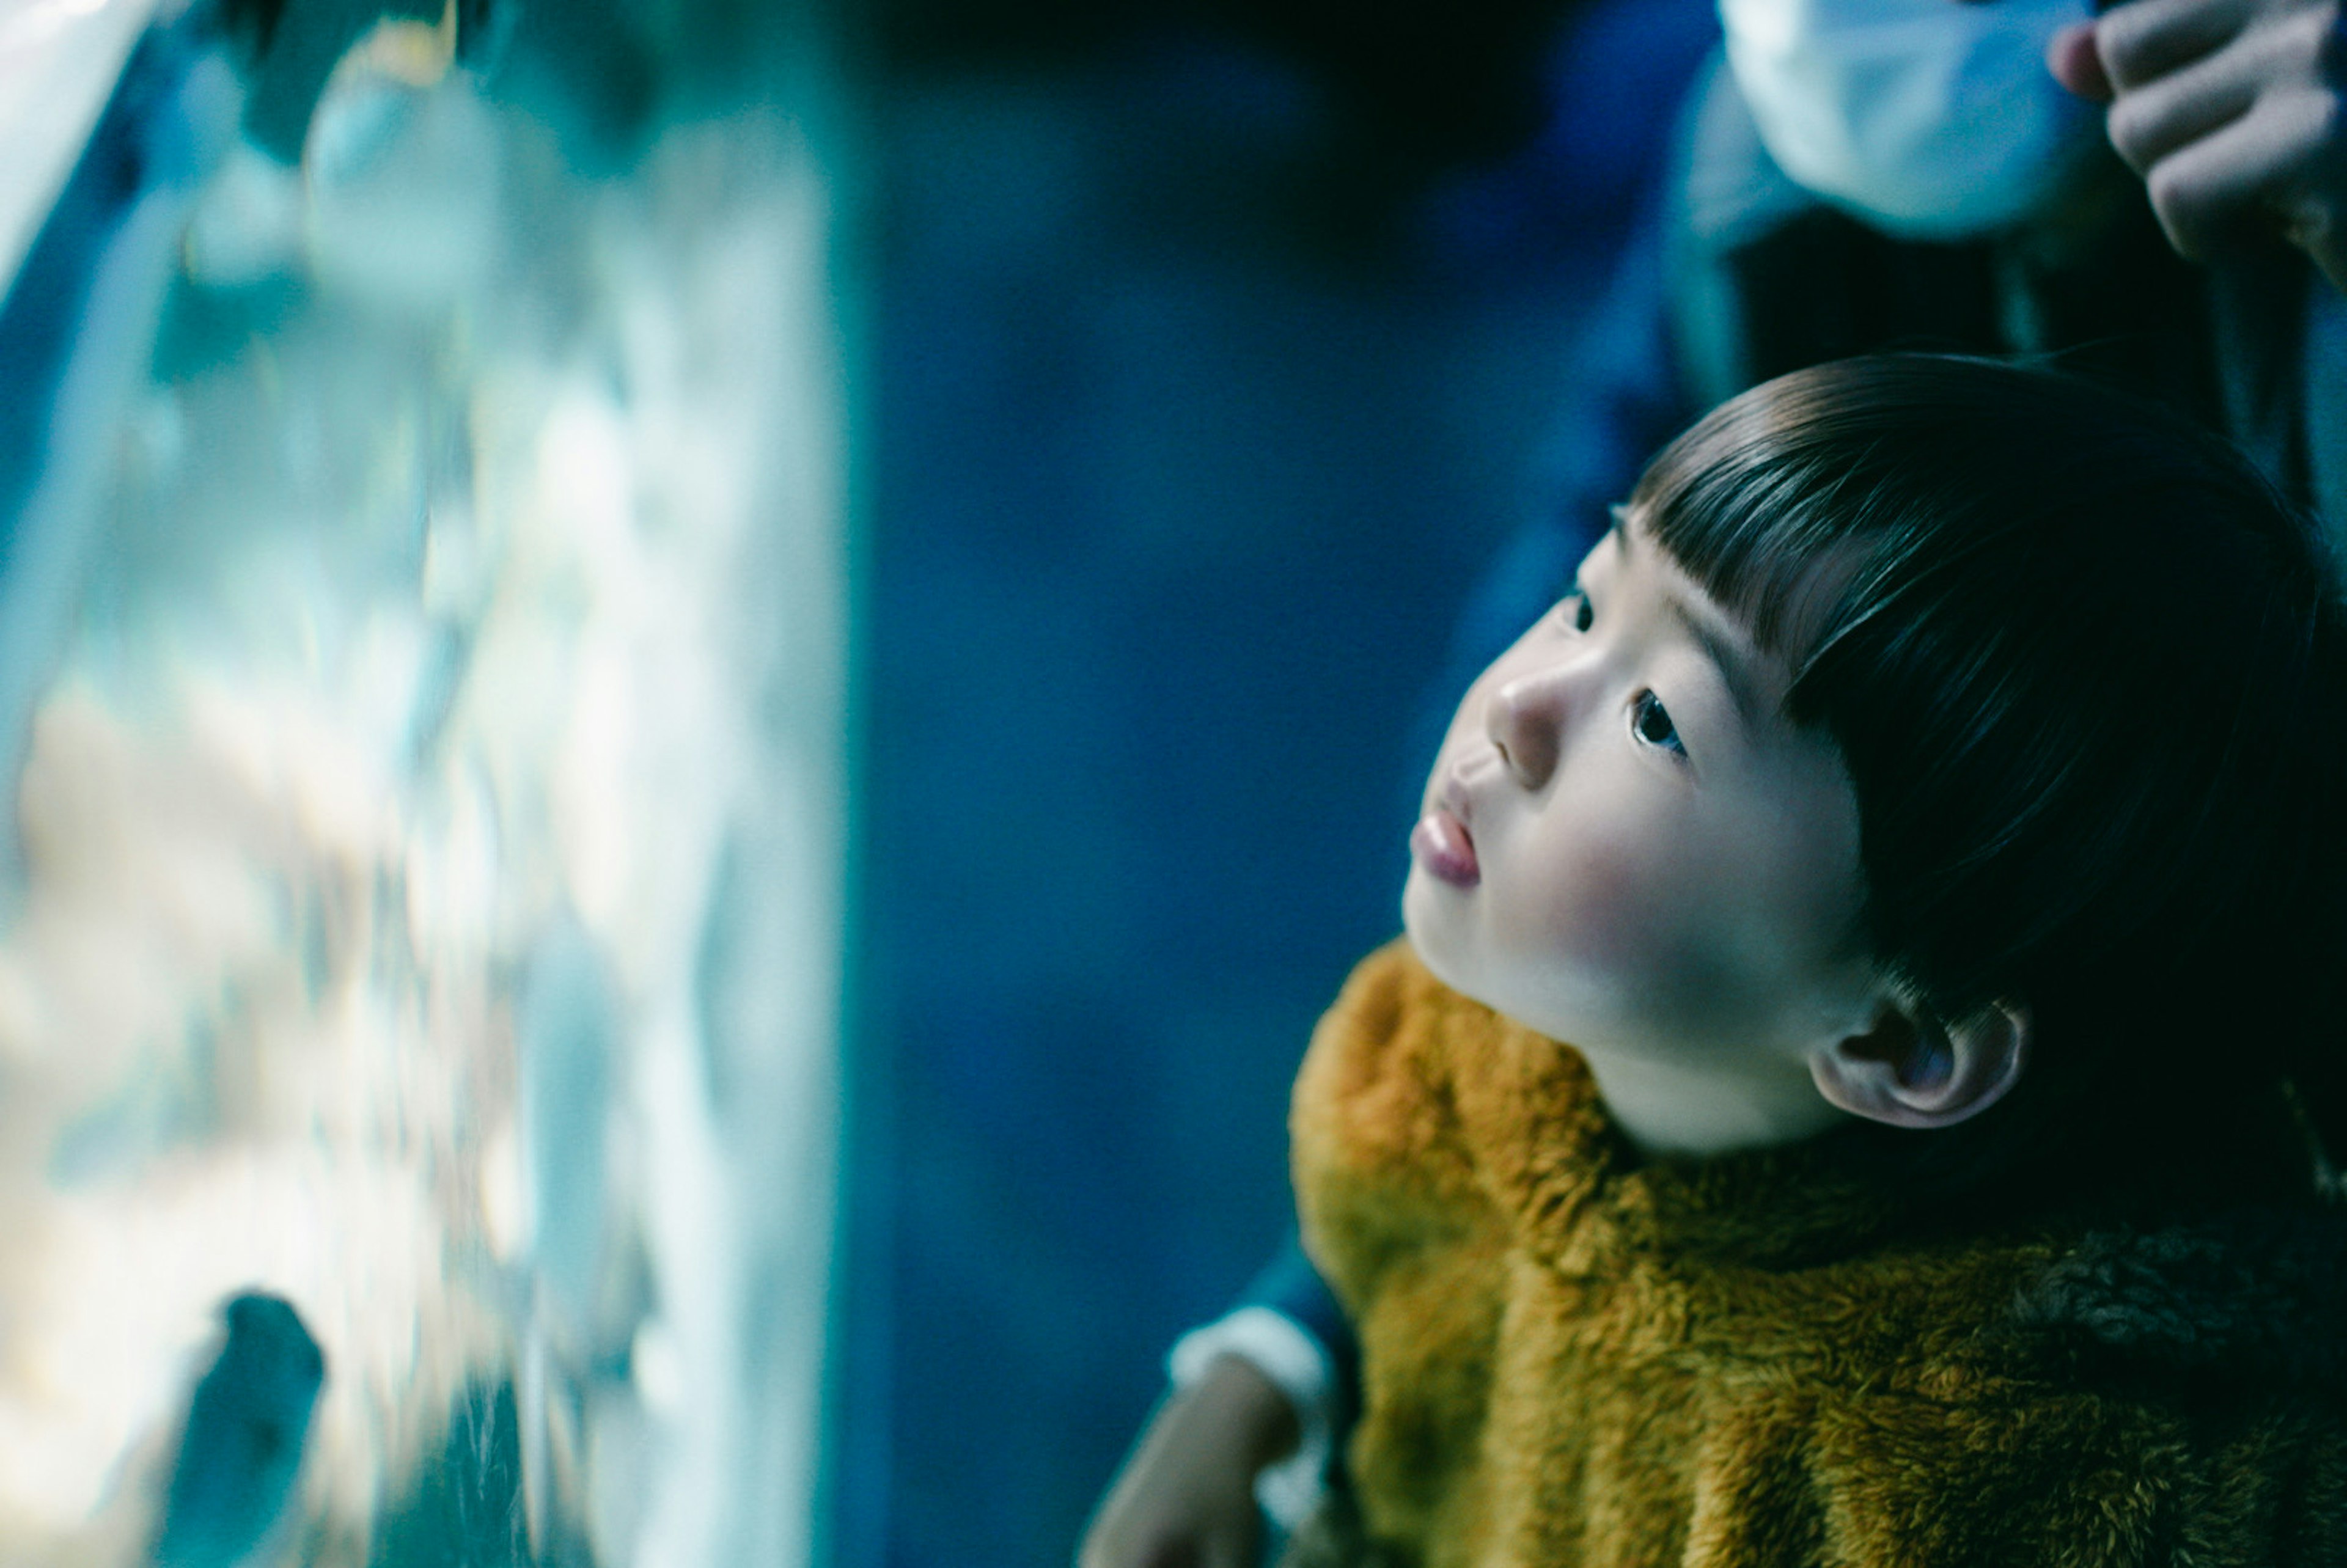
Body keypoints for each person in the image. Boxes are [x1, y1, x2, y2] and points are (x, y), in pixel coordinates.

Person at [1084, 4, 2347, 1563]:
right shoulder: (1437, 1060)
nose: (1522, 709)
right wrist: (1277, 1356)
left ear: (1901, 1034)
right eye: (1587, 603)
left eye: (1662, 726)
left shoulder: (2007, 1481)